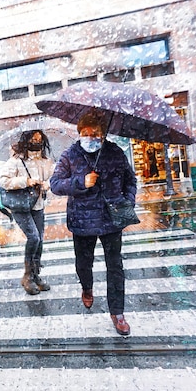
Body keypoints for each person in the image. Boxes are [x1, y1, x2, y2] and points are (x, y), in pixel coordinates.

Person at [49, 112, 137, 336]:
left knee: (115, 267)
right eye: (84, 133)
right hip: (82, 220)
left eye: (94, 133)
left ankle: (117, 312)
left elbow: (130, 179)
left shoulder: (115, 152)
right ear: (79, 134)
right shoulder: (70, 155)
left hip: (111, 219)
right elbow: (56, 184)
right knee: (83, 264)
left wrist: (128, 201)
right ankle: (86, 287)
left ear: (102, 134)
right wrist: (81, 181)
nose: (89, 137)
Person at [0, 130, 54, 295]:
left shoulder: (45, 161)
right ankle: (27, 276)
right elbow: (3, 180)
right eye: (33, 138)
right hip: (20, 205)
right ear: (26, 140)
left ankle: (36, 275)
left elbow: (53, 177)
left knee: (40, 240)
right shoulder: (16, 160)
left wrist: (46, 184)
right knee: (34, 237)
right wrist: (26, 181)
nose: (36, 141)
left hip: (38, 204)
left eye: (39, 139)